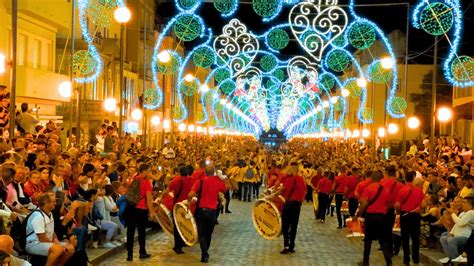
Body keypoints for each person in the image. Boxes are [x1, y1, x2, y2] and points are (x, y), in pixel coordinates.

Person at [187, 165, 227, 263]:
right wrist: (224, 178)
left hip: (201, 211)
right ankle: (205, 252)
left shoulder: (200, 182)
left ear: (205, 172)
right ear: (214, 172)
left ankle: (204, 253)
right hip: (213, 211)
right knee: (208, 234)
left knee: (202, 234)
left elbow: (190, 194)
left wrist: (188, 202)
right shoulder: (218, 181)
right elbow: (226, 188)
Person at [354, 170, 392, 266]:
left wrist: (357, 214)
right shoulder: (386, 190)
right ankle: (389, 262)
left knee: (368, 240)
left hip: (371, 216)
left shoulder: (369, 189)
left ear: (372, 178)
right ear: (381, 178)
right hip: (382, 217)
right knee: (383, 241)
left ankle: (366, 262)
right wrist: (384, 210)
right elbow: (390, 204)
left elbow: (364, 203)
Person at [25, 192, 74, 266]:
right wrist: (57, 246)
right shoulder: (38, 216)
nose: (55, 204)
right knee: (57, 249)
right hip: (34, 244)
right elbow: (42, 238)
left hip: (47, 242)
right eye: (53, 202)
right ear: (47, 203)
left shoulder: (50, 214)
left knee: (70, 248)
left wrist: (57, 242)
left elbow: (52, 233)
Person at [158, 165, 193, 254]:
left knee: (177, 226)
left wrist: (160, 199)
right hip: (186, 205)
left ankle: (177, 246)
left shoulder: (177, 180)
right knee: (184, 224)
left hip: (177, 206)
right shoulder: (191, 180)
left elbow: (166, 191)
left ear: (180, 173)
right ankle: (183, 242)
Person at [125, 163, 155, 262]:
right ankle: (142, 252)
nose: (150, 173)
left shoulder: (132, 179)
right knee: (141, 232)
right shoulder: (146, 182)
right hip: (141, 208)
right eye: (149, 171)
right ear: (144, 171)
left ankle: (129, 254)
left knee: (130, 231)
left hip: (130, 207)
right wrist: (151, 212)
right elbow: (149, 199)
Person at [395, 171, 425, 265]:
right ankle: (416, 259)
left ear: (405, 178)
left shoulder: (402, 190)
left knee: (405, 238)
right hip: (415, 216)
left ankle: (406, 259)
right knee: (415, 238)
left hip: (405, 215)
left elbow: (397, 205)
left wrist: (398, 212)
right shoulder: (419, 190)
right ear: (413, 178)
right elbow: (423, 204)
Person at [277, 162, 306, 254]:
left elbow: (283, 190)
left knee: (285, 226)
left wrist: (276, 193)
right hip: (298, 205)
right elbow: (304, 192)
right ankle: (292, 246)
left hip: (289, 203)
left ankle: (286, 245)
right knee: (294, 226)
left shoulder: (290, 179)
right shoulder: (301, 180)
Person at [438, 195, 474, 264]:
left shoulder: (471, 212)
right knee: (443, 238)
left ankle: (455, 259)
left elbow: (460, 223)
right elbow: (457, 225)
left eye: (464, 202)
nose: (462, 204)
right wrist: (451, 232)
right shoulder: (464, 212)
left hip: (466, 236)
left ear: (470, 204)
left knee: (451, 240)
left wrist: (452, 213)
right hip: (459, 234)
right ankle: (451, 258)